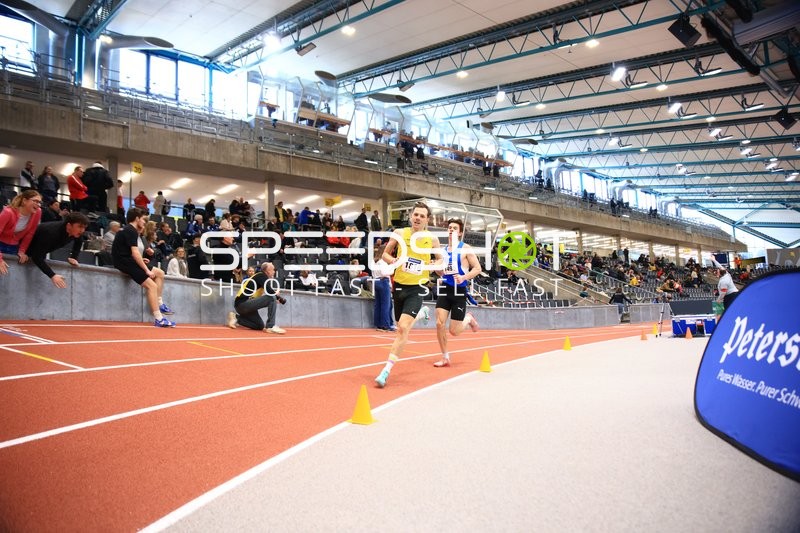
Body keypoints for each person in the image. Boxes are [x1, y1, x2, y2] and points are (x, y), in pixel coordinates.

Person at [374, 201, 443, 388]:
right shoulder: (399, 233)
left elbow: (440, 262)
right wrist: (395, 260)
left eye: (422, 215)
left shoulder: (432, 240)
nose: (418, 218)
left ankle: (386, 370)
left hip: (417, 287)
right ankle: (422, 314)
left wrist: (430, 266)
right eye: (416, 214)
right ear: (411, 216)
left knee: (403, 328)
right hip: (399, 286)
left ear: (427, 220)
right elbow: (384, 255)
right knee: (400, 326)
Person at [112, 207, 176, 327]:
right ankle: (159, 319)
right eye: (143, 219)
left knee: (160, 273)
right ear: (137, 219)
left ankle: (160, 303)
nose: (144, 222)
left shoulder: (130, 230)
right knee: (152, 286)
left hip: (128, 260)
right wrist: (146, 270)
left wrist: (141, 260)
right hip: (125, 263)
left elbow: (127, 251)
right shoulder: (130, 230)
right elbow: (134, 253)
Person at [431, 218, 481, 368]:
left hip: (459, 291)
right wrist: (437, 270)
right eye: (449, 227)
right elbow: (441, 271)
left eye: (454, 228)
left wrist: (464, 277)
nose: (451, 229)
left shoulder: (465, 248)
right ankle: (445, 356)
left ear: (459, 232)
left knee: (454, 331)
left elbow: (478, 268)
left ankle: (468, 318)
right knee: (439, 323)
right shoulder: (443, 251)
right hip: (446, 289)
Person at [26, 212, 90, 288]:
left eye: (84, 228)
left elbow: (79, 241)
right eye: (80, 227)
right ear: (69, 225)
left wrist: (74, 257)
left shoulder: (76, 232)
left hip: (39, 251)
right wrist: (52, 275)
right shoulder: (51, 232)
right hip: (22, 249)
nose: (82, 230)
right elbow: (36, 257)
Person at [227, 261, 287, 334]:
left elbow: (264, 293)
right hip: (242, 303)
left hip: (244, 305)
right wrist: (277, 297)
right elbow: (269, 290)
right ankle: (271, 326)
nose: (274, 272)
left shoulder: (260, 277)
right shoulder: (261, 275)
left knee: (259, 326)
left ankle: (236, 318)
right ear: (268, 271)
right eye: (273, 270)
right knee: (271, 298)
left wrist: (275, 298)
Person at [0, 190, 43, 276]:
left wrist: (22, 251)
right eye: (35, 201)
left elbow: (30, 234)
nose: (38, 205)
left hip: (14, 246)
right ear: (24, 201)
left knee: (7, 274)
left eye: (40, 202)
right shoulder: (8, 212)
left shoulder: (38, 212)